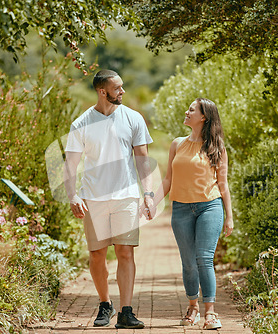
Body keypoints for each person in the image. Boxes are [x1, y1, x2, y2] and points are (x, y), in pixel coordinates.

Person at [64, 69, 155, 329]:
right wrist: (73, 195)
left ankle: (126, 311)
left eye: (123, 87)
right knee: (96, 254)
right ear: (102, 91)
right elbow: (71, 164)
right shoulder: (81, 124)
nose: (123, 92)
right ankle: (105, 303)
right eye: (117, 88)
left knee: (125, 252)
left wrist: (148, 194)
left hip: (126, 196)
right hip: (94, 198)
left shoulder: (133, 118)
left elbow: (143, 161)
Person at [141, 98, 233, 330]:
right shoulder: (177, 144)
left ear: (203, 117)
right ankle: (192, 306)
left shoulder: (217, 147)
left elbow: (223, 185)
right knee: (188, 262)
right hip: (181, 209)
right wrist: (153, 203)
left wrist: (229, 217)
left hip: (209, 207)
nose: (187, 111)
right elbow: (168, 179)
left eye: (192, 110)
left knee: (204, 258)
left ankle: (210, 312)